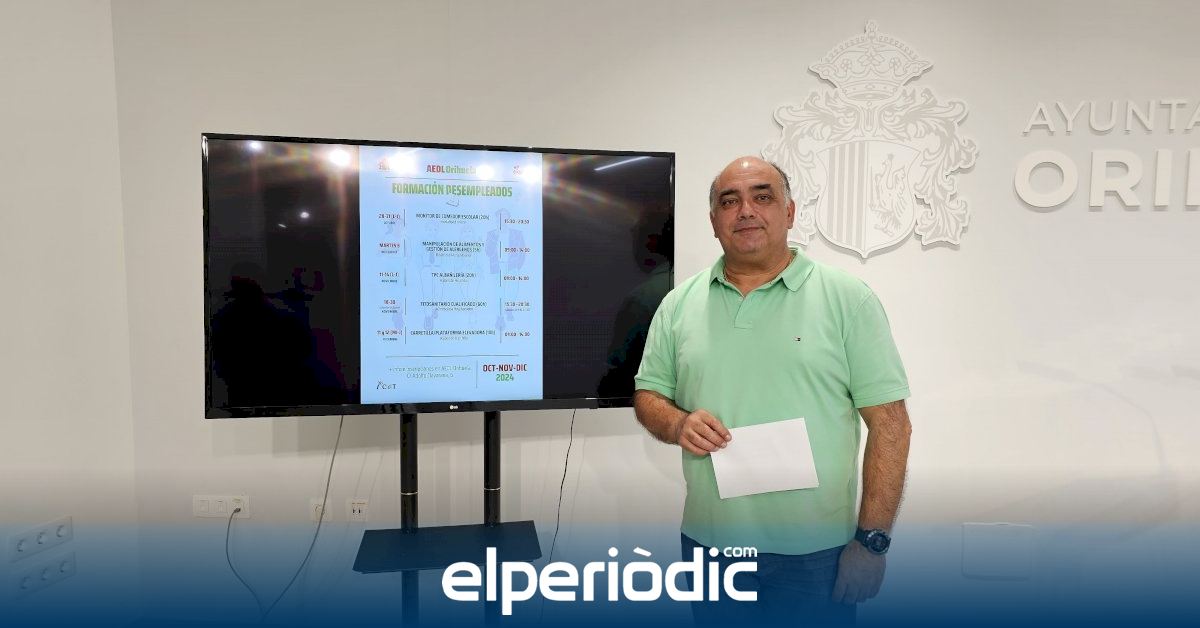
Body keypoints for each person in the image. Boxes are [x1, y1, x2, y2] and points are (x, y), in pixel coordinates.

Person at [633, 156, 912, 626]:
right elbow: (648, 397)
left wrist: (872, 543)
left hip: (817, 555)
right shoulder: (678, 305)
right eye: (730, 201)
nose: (746, 210)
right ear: (714, 222)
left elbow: (891, 425)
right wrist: (678, 423)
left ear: (790, 212)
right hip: (709, 548)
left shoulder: (848, 299)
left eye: (762, 197)